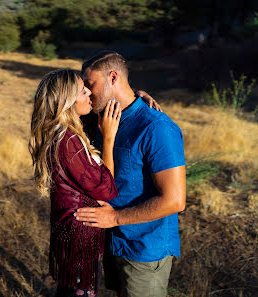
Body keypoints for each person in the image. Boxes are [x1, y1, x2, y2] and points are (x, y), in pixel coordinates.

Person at [75, 51, 186, 297]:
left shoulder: (157, 127)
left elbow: (175, 200)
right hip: (113, 241)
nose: (87, 92)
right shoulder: (101, 120)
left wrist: (114, 219)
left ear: (113, 77)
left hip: (144, 249)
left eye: (90, 84)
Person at [29, 69, 120, 297]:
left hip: (72, 230)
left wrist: (138, 95)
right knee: (79, 291)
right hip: (79, 235)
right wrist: (108, 138)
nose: (89, 92)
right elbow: (106, 189)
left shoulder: (63, 131)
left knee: (70, 289)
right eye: (82, 91)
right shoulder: (68, 142)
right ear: (67, 102)